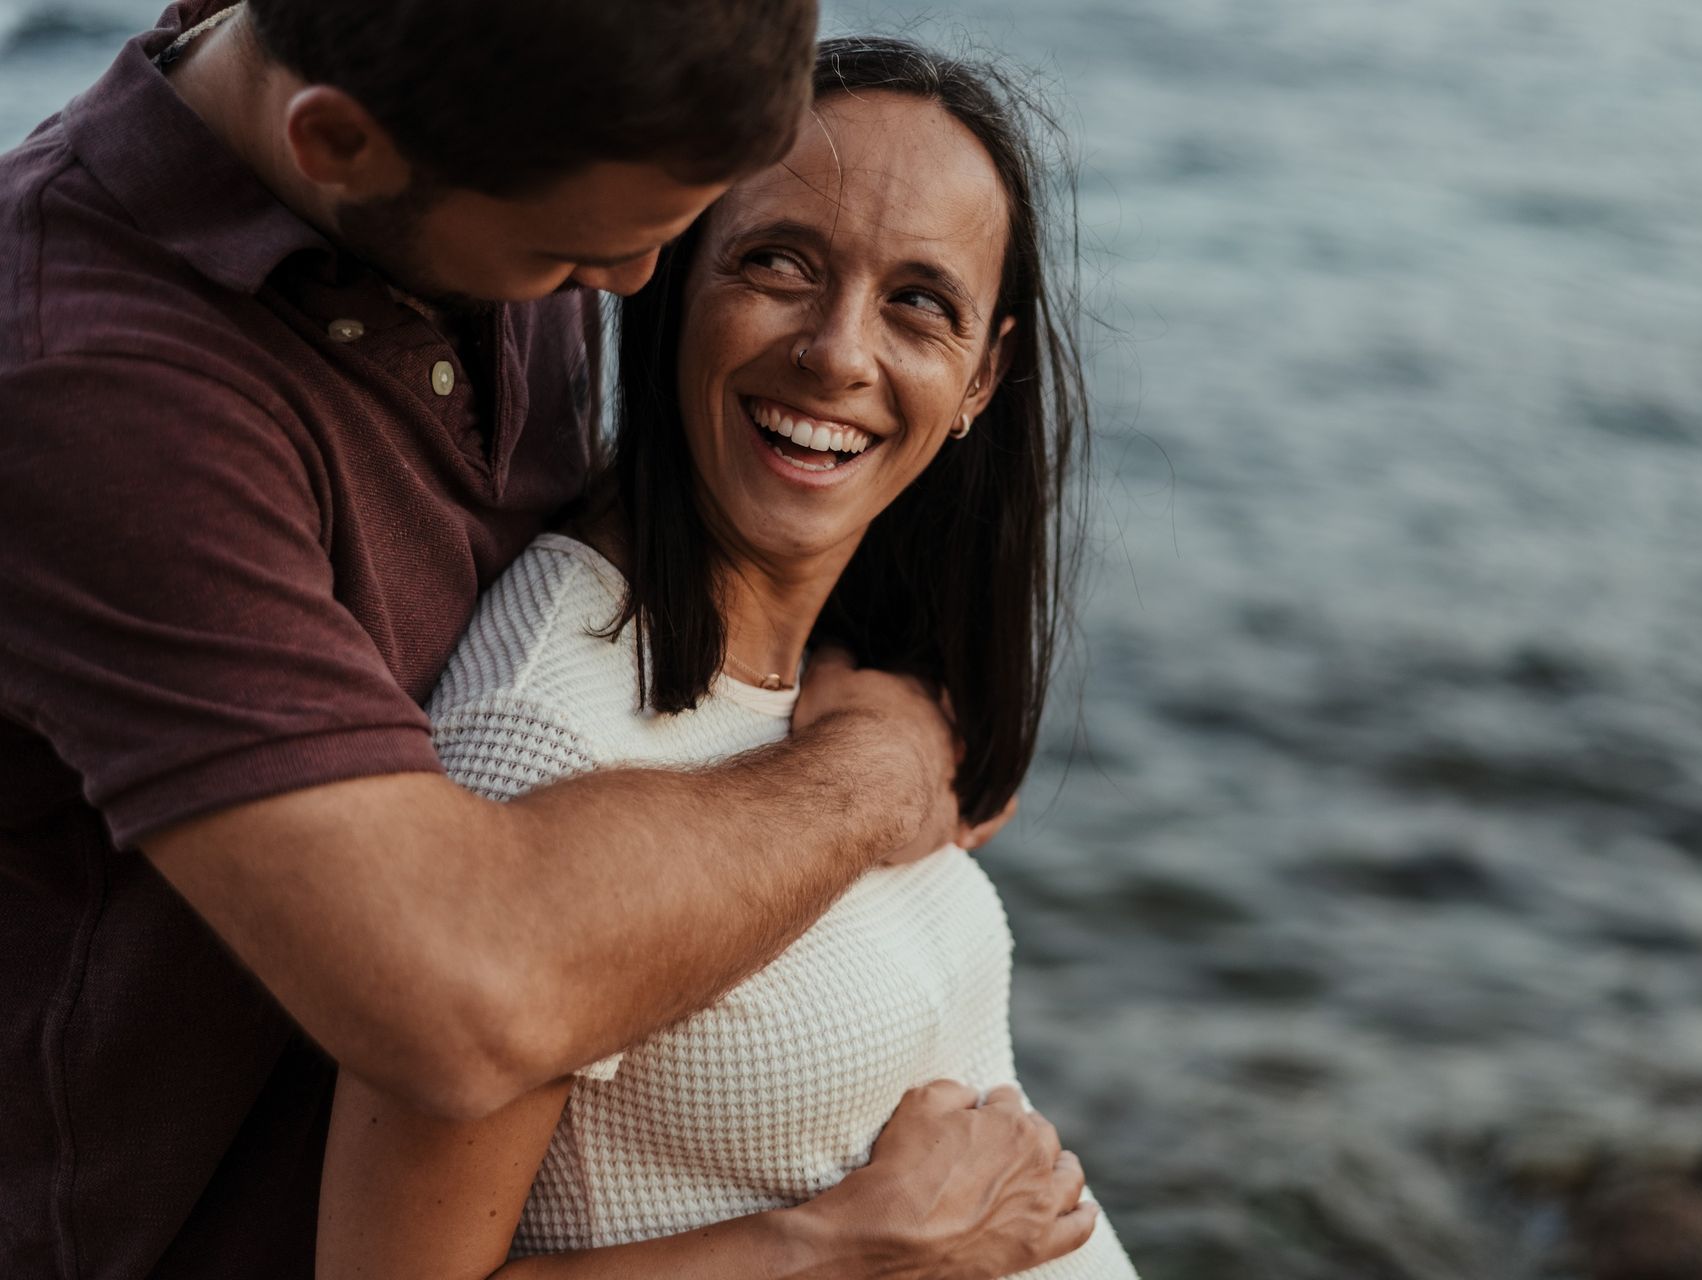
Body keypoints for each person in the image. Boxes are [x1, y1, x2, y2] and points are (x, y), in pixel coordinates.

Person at [0, 4, 1093, 1277]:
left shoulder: (494, 136)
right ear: (340, 147)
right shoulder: (93, 391)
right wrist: (877, 769)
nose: (635, 286)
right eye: (588, 250)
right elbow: (465, 991)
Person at [313, 36, 1135, 1279]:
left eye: (921, 300)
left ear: (984, 375)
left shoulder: (852, 679)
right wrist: (851, 1244)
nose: (839, 351)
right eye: (779, 262)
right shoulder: (544, 730)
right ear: (669, 276)